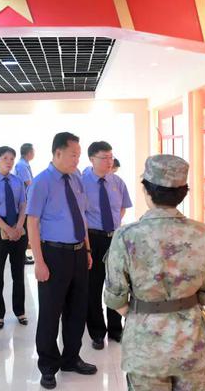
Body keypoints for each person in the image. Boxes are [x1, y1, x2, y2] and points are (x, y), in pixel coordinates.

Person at [104, 155, 205, 391]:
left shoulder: (126, 236)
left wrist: (140, 313)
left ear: (147, 191)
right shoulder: (203, 234)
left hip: (145, 348)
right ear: (183, 192)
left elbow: (115, 297)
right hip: (191, 344)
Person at [26, 132, 97, 390]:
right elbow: (32, 223)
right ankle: (48, 366)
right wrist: (39, 262)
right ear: (57, 153)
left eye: (78, 155)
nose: (77, 159)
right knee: (50, 312)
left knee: (77, 309)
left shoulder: (76, 178)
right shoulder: (41, 182)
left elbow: (82, 215)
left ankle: (71, 358)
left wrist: (87, 250)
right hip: (53, 254)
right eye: (73, 155)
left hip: (78, 253)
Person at [82, 141, 132, 350]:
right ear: (92, 159)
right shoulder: (81, 182)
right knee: (93, 287)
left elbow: (122, 208)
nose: (109, 161)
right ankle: (96, 332)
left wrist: (115, 226)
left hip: (115, 239)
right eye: (104, 158)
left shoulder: (117, 182)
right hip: (92, 238)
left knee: (117, 284)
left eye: (111, 157)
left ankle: (115, 329)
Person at [0, 146, 28, 330]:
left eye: (12, 159)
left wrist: (18, 226)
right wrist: (7, 229)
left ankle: (20, 311)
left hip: (18, 226)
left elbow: (23, 204)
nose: (9, 162)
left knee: (19, 273)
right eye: (5, 158)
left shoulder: (17, 181)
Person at [15, 143, 35, 265]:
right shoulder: (22, 165)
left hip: (26, 201)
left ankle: (22, 255)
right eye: (33, 151)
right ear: (29, 152)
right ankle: (21, 255)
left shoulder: (24, 164)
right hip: (23, 202)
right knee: (25, 229)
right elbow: (29, 183)